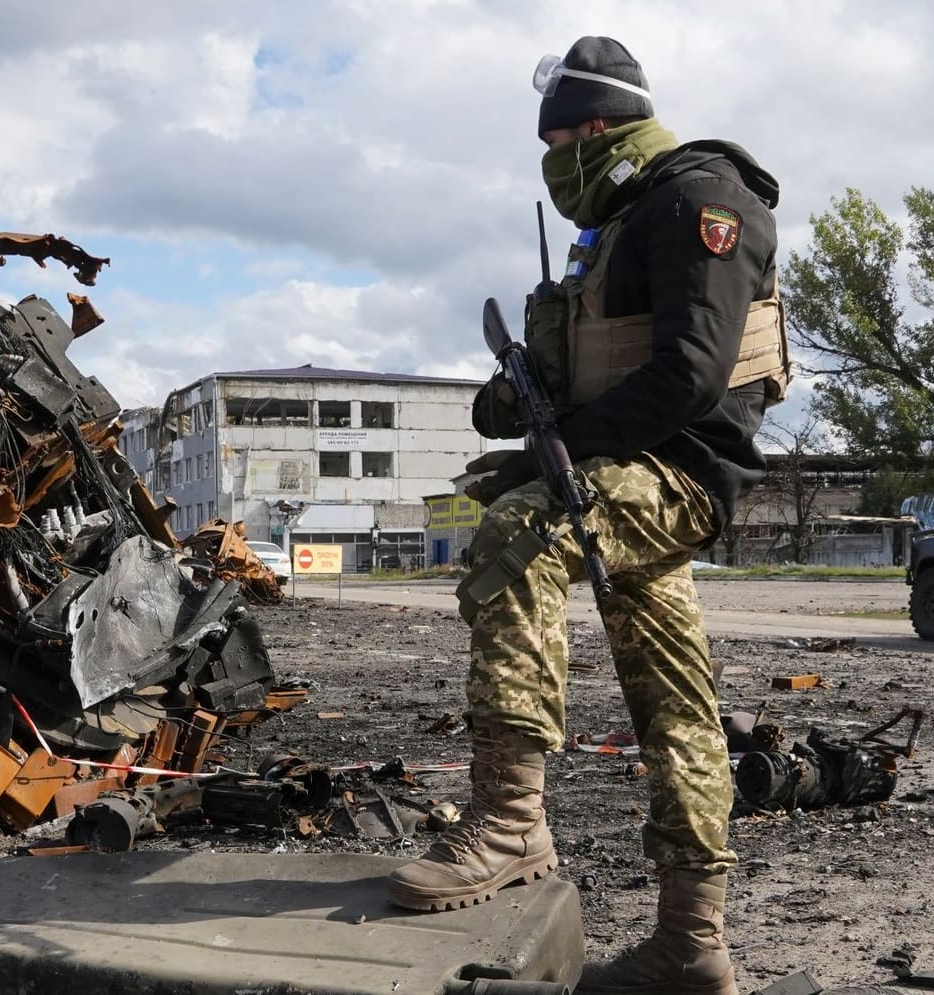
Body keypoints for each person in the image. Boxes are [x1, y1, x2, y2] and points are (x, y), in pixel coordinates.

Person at [385, 36, 789, 995]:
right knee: (678, 707)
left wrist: (548, 453)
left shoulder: (701, 199)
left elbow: (690, 374)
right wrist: (520, 403)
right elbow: (601, 362)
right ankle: (692, 944)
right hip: (622, 473)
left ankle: (512, 823)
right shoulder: (621, 222)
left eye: (559, 139)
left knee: (513, 539)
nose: (553, 162)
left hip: (677, 474)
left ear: (598, 130)